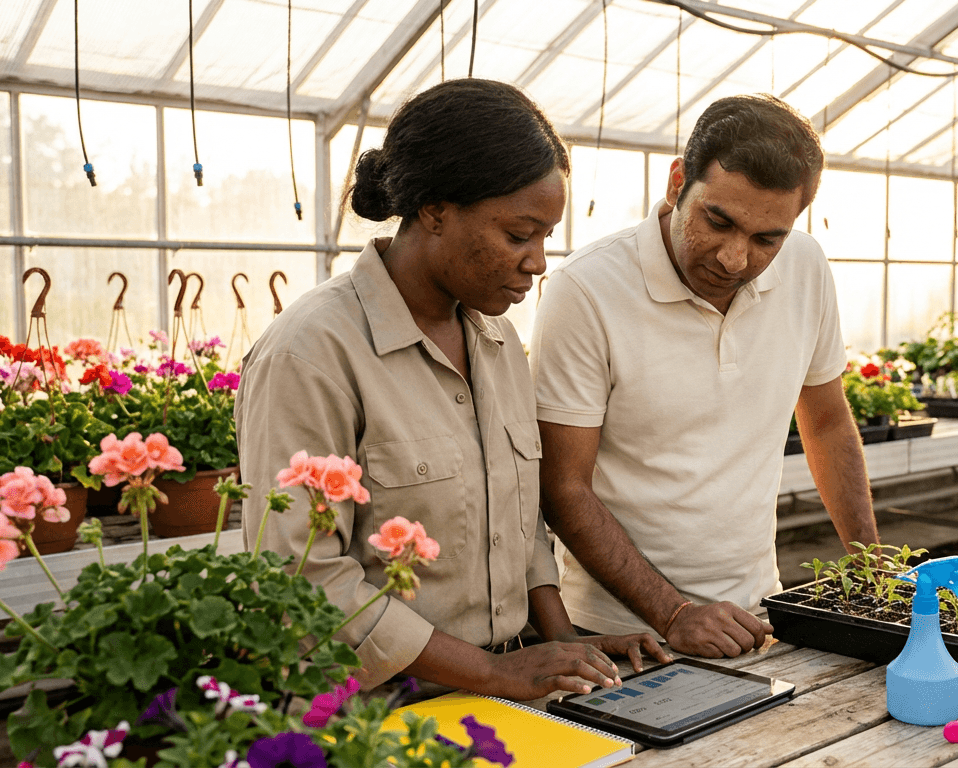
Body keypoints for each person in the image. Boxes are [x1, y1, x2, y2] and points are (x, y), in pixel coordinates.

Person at [235, 79, 668, 698]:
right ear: (435, 211)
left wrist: (565, 642)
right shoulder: (312, 354)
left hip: (504, 693)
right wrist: (490, 671)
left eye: (545, 237)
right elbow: (301, 580)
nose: (538, 262)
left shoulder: (496, 341)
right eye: (518, 235)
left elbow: (518, 529)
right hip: (381, 710)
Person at [530, 94, 879, 659]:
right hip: (619, 633)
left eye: (767, 238)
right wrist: (675, 614)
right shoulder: (587, 290)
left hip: (757, 613)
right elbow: (563, 485)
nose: (735, 259)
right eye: (718, 222)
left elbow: (827, 422)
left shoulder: (806, 267)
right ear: (677, 183)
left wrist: (873, 571)